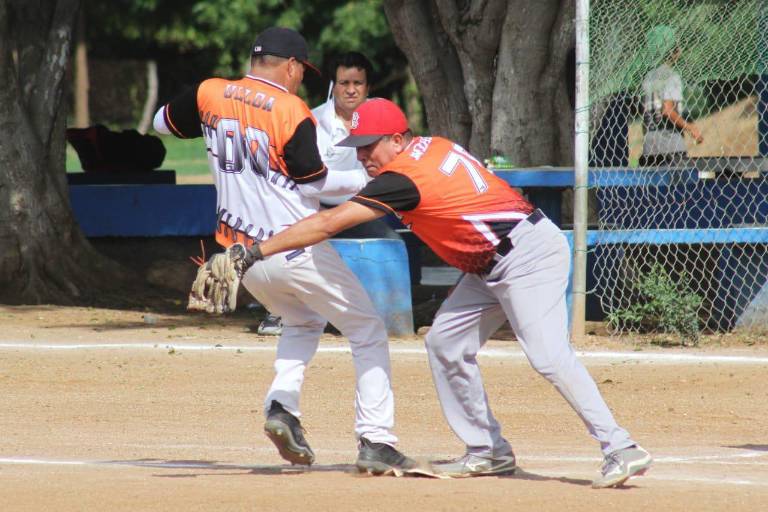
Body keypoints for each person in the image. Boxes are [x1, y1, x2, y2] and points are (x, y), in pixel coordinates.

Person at [236, 98, 653, 488]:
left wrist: (255, 251)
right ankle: (487, 450)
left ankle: (620, 446)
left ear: (398, 140)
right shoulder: (432, 146)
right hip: (488, 263)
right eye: (357, 148)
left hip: (527, 256)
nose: (363, 156)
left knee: (548, 355)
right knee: (445, 343)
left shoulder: (402, 178)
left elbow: (328, 224)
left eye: (369, 147)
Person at [152, 27, 414, 475]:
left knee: (302, 320)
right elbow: (318, 185)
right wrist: (370, 182)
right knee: (367, 329)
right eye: (301, 71)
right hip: (294, 248)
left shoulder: (208, 92)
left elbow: (161, 123)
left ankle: (282, 408)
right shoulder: (291, 109)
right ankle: (377, 440)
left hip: (241, 257)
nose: (300, 80)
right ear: (291, 66)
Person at [257, 51, 398, 336]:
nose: (351, 90)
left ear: (368, 88)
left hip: (359, 209)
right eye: (344, 82)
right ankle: (277, 312)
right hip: (314, 209)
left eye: (358, 83)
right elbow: (311, 181)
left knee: (392, 243)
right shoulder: (313, 120)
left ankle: (396, 311)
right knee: (292, 251)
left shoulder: (380, 115)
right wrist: (360, 179)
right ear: (333, 86)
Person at [640, 25, 703, 167]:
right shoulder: (671, 76)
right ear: (673, 51)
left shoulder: (649, 76)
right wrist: (690, 128)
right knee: (678, 185)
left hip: (650, 142)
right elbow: (667, 110)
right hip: (670, 142)